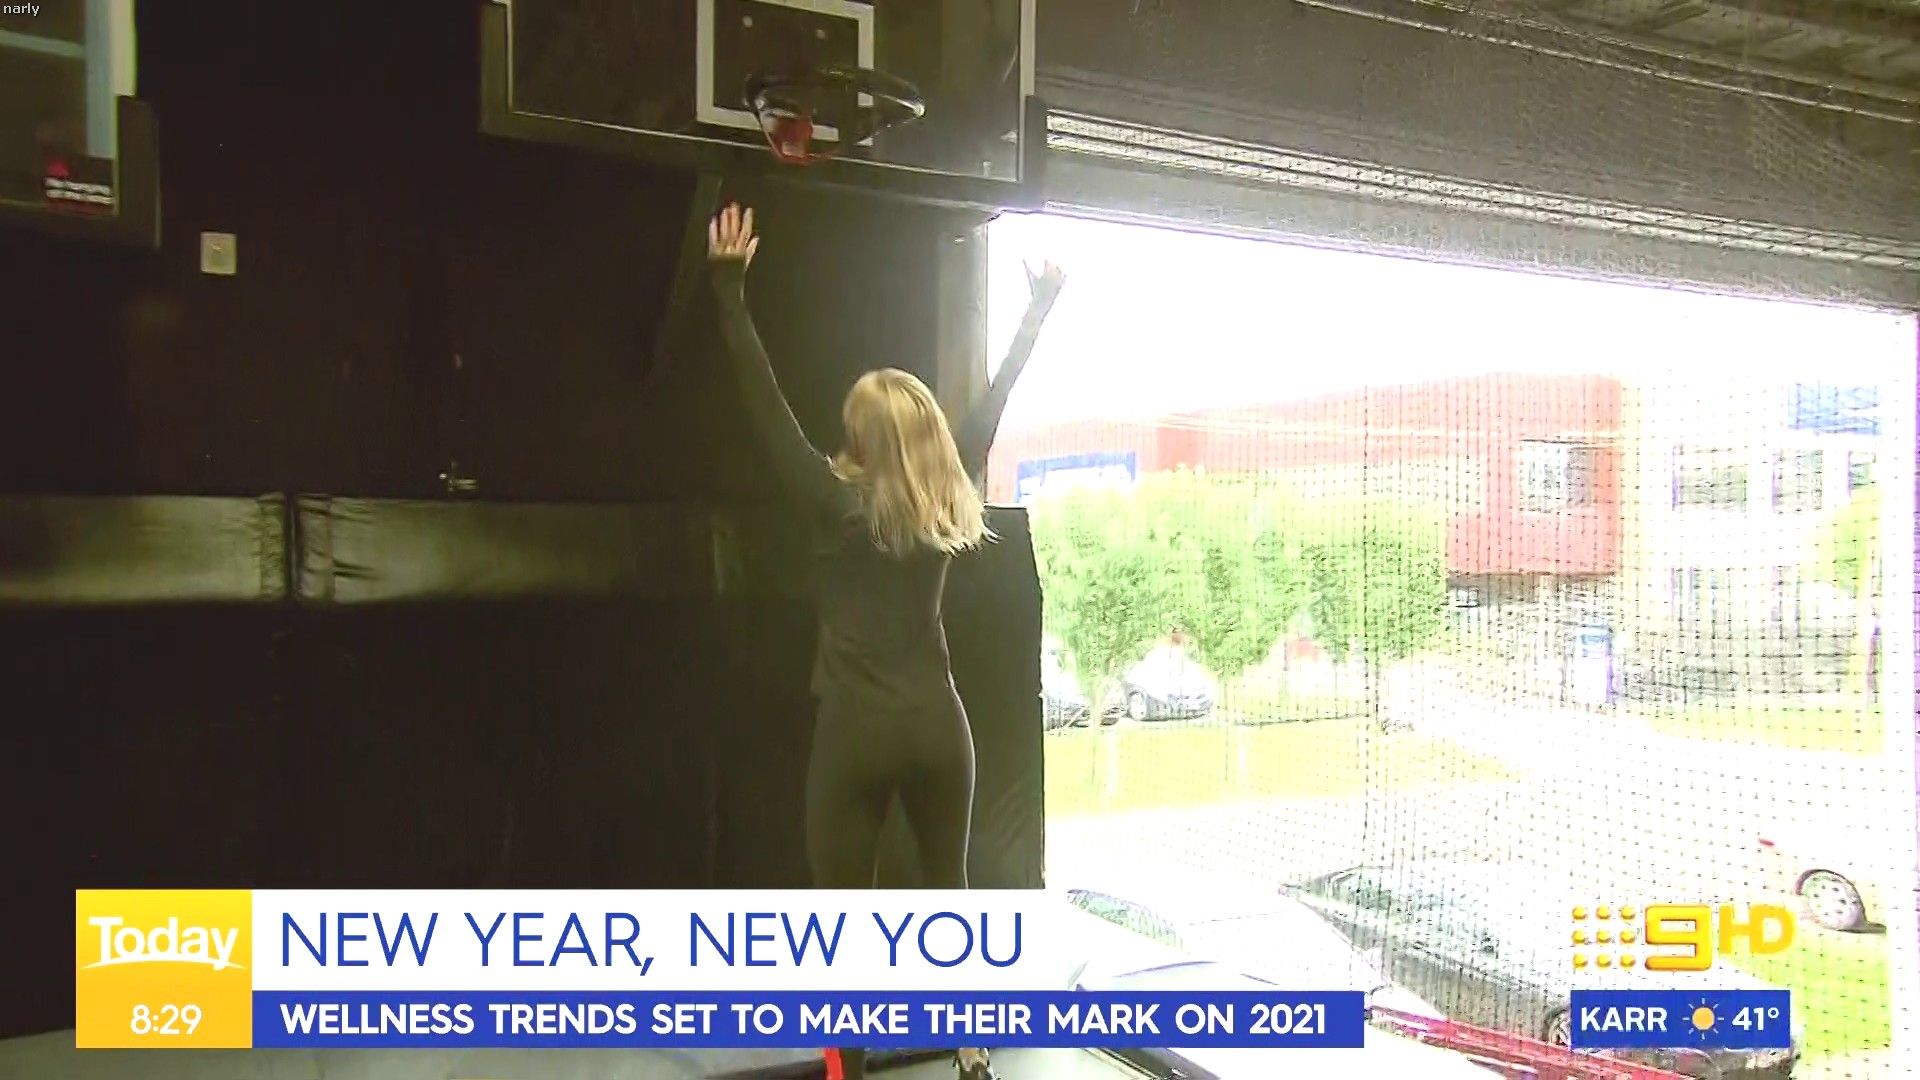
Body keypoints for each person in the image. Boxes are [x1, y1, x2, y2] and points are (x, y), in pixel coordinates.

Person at [706, 204, 1062, 1080]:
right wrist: (1036, 310)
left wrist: (728, 291)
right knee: (951, 896)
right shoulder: (943, 502)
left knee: (844, 928)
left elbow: (764, 406)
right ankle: (972, 1050)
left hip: (857, 734)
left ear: (859, 442)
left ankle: (846, 1074)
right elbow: (989, 409)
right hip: (940, 730)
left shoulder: (832, 505)